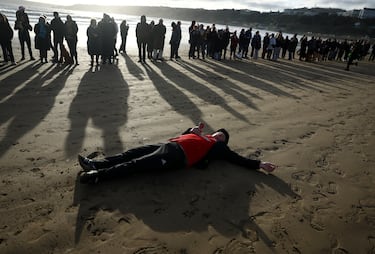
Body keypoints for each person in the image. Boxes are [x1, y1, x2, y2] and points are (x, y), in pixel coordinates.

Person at [78, 123, 277, 184]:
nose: (217, 135)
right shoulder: (201, 135)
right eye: (217, 133)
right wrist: (191, 131)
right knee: (131, 154)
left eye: (221, 136)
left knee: (136, 165)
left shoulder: (218, 148)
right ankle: (96, 164)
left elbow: (237, 159)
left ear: (223, 141)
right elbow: (181, 136)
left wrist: (259, 164)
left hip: (176, 156)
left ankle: (97, 176)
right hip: (167, 145)